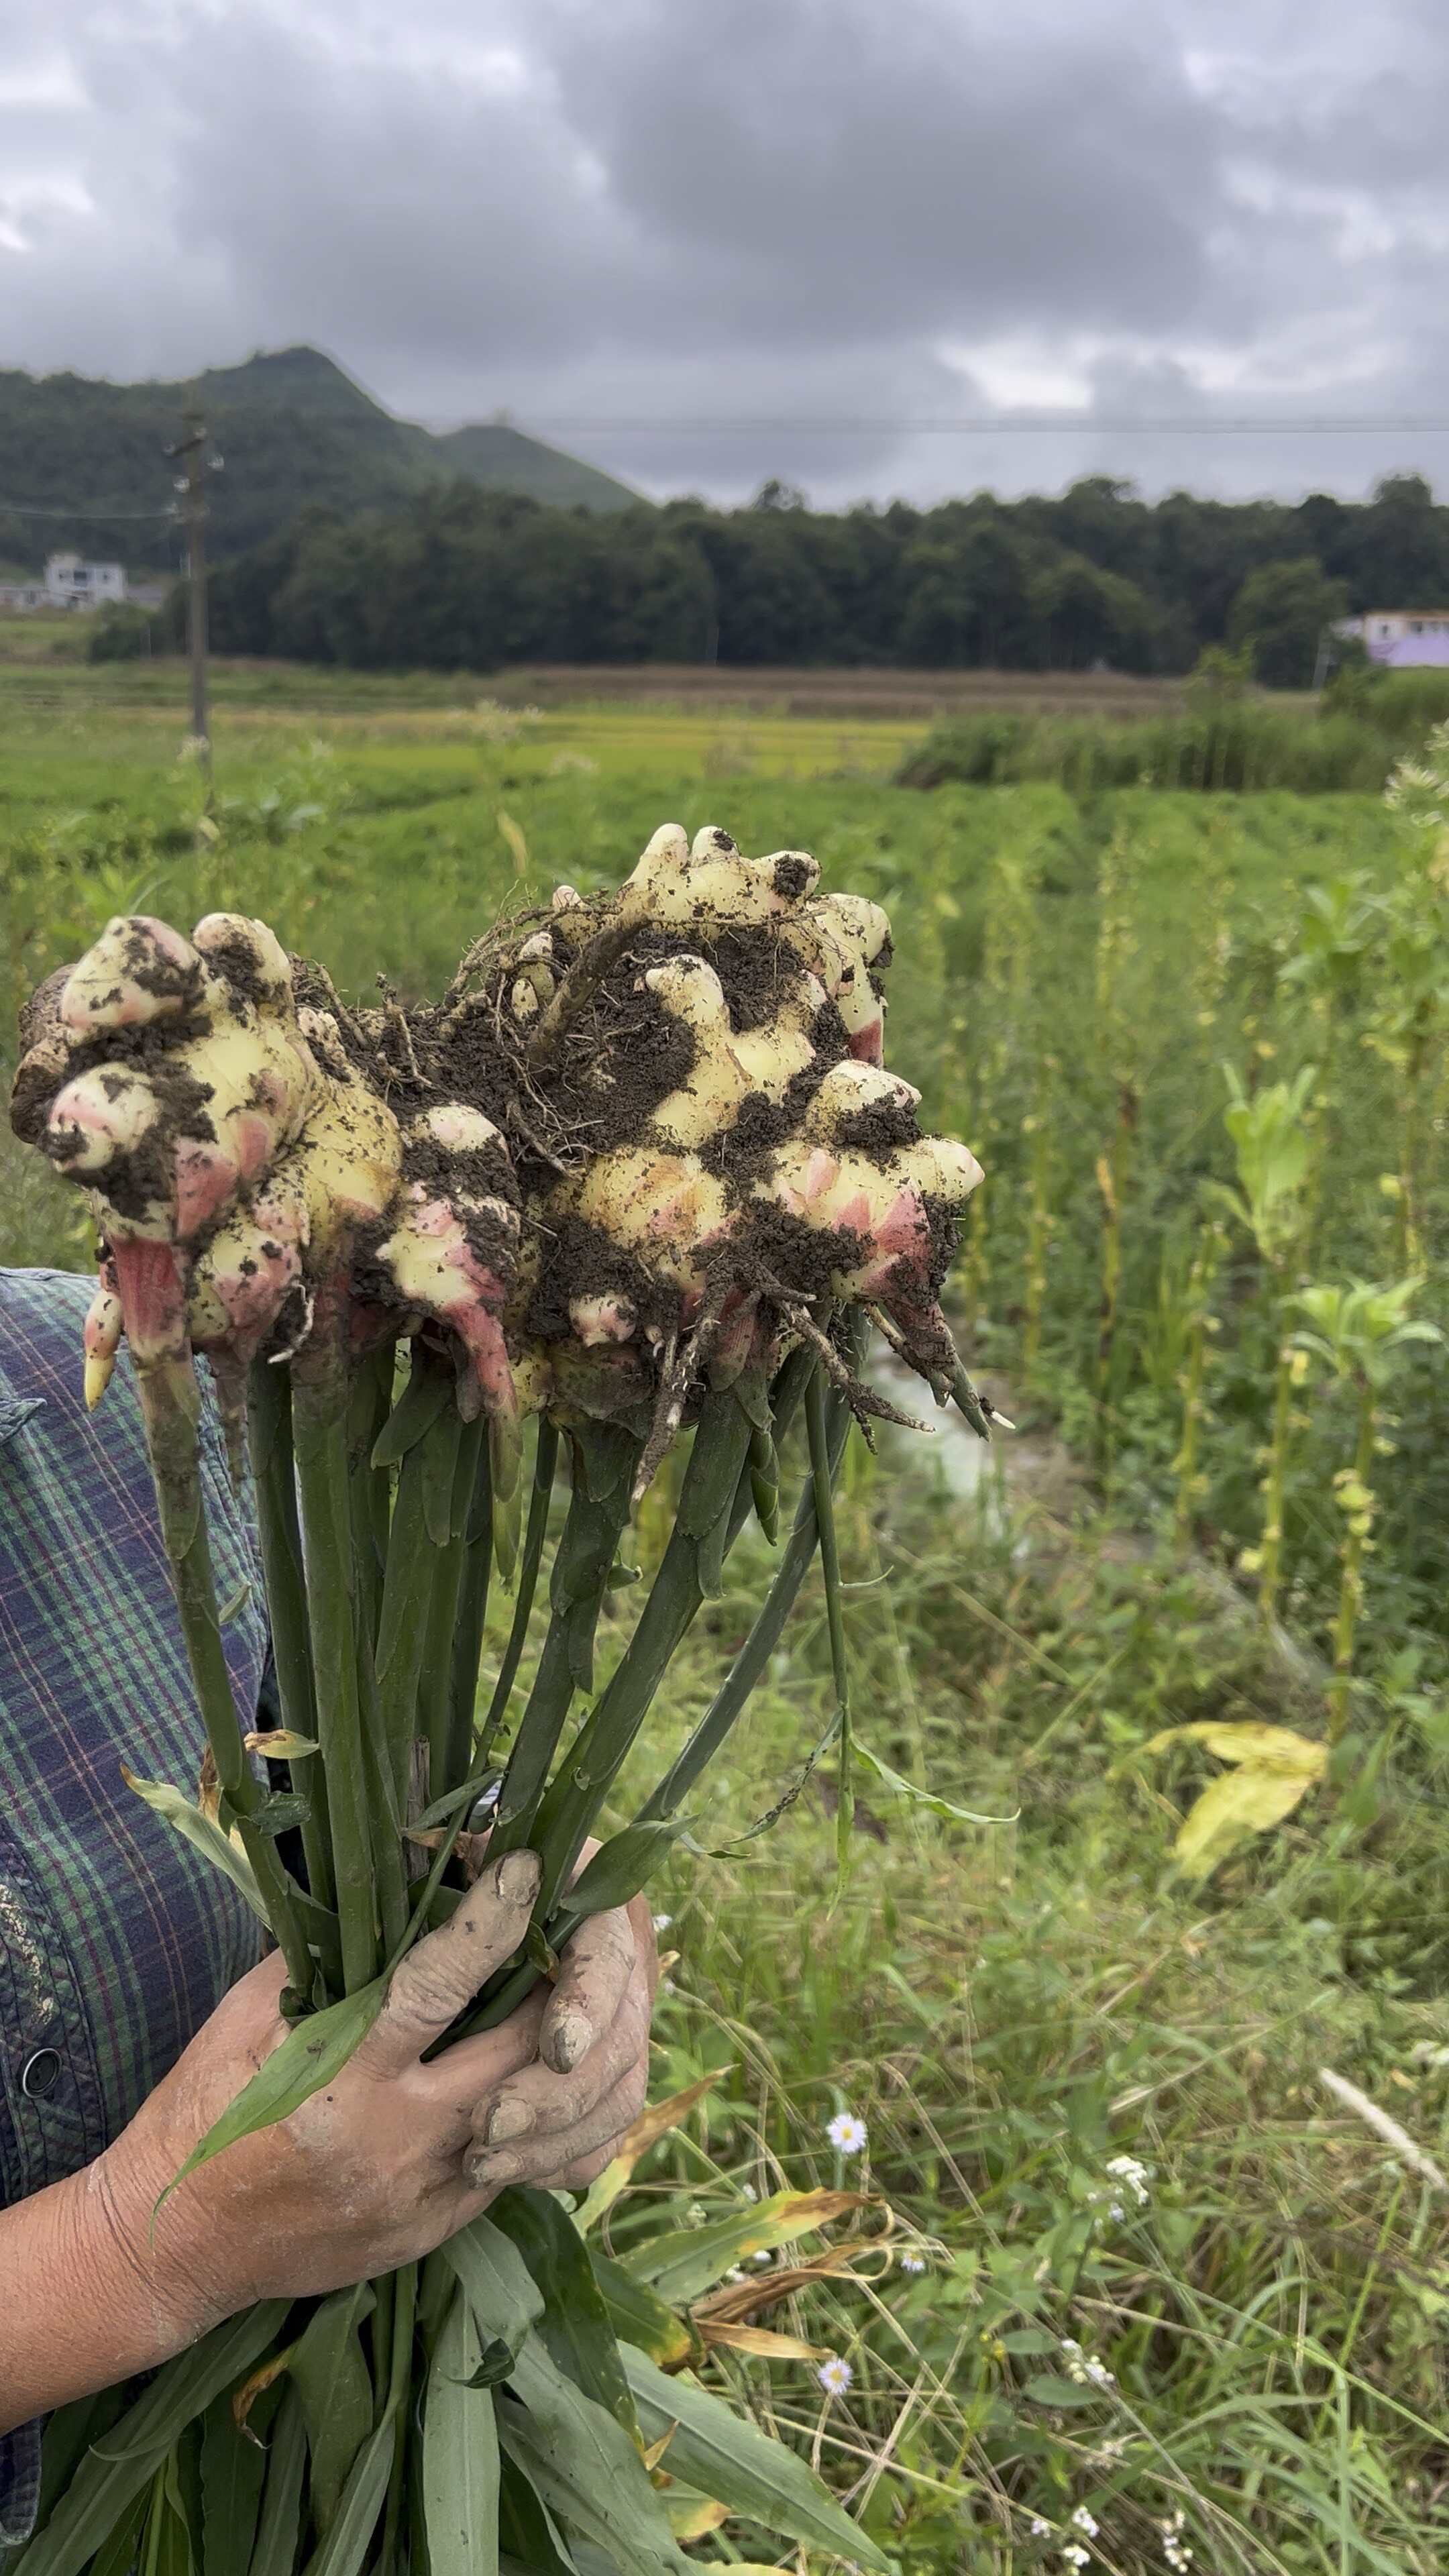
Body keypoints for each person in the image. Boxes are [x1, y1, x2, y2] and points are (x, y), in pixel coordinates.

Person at [0, 1267, 658, 2546]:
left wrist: (535, 1912)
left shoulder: (115, 1387)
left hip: (284, 2444)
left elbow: (348, 1792)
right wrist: (146, 2249)